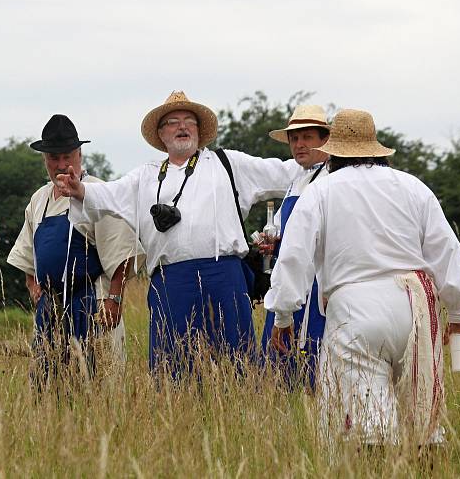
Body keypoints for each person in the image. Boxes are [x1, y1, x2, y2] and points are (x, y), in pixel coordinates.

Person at [265, 109, 460, 444]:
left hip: (355, 307)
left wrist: (282, 315)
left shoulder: (320, 191)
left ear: (332, 151)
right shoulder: (413, 186)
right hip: (416, 307)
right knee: (422, 422)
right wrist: (459, 313)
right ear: (376, 149)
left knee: (368, 428)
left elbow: (294, 256)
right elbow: (445, 250)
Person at [57, 91, 301, 375]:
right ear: (161, 134)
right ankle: (178, 417)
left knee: (239, 364)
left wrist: (325, 155)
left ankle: (240, 412)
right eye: (173, 122)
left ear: (199, 130)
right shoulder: (144, 177)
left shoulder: (227, 164)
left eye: (189, 121)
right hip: (171, 281)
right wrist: (79, 189)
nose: (182, 126)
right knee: (171, 368)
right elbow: (106, 194)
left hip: (225, 275)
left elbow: (285, 173)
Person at [7, 115, 143, 383]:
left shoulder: (98, 192)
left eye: (67, 156)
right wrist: (33, 285)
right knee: (49, 386)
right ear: (44, 159)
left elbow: (122, 255)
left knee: (96, 384)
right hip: (51, 310)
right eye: (53, 158)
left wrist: (113, 300)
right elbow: (26, 255)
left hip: (91, 303)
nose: (61, 164)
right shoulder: (39, 200)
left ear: (79, 154)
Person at [258, 105, 330, 387]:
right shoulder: (297, 179)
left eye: (307, 137)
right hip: (287, 279)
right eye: (294, 139)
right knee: (278, 367)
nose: (299, 145)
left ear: (325, 140)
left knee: (311, 359)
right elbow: (281, 228)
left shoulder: (330, 179)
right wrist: (272, 242)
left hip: (315, 283)